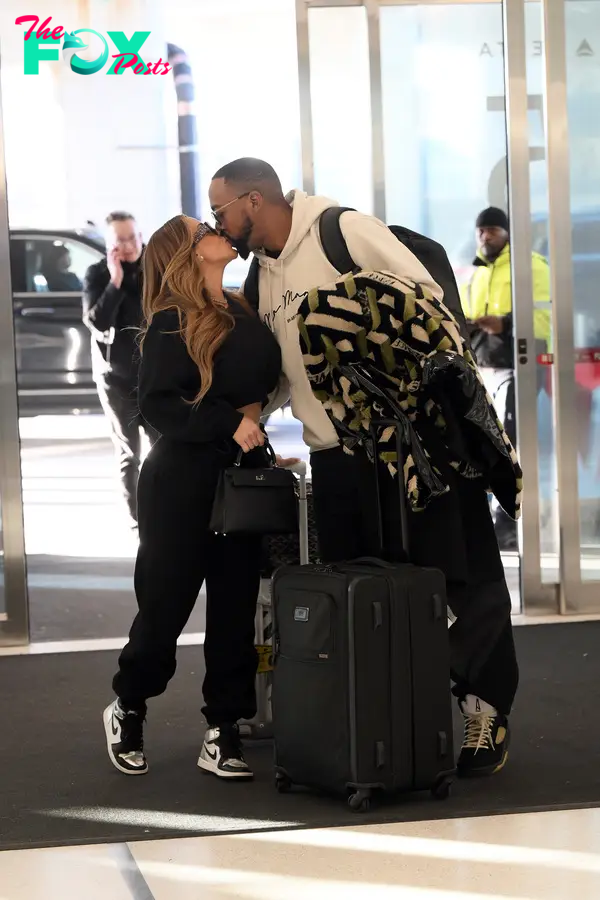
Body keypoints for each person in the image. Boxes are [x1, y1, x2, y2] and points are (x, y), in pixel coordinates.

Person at [209, 158, 519, 778]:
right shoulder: (263, 277)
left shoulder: (340, 229)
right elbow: (284, 371)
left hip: (413, 445)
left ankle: (486, 708)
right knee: (364, 590)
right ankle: (384, 723)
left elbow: (426, 304)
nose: (219, 222)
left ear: (251, 201)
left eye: (220, 211)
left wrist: (353, 325)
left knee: (456, 570)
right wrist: (243, 416)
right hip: (337, 460)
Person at [103, 217, 284, 781]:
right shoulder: (166, 320)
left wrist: (250, 423)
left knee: (234, 611)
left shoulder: (243, 311)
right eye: (203, 226)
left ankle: (223, 730)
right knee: (165, 608)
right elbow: (158, 405)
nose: (217, 229)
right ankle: (128, 707)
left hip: (238, 480)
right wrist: (229, 423)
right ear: (188, 251)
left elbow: (260, 386)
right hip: (180, 482)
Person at [461, 206, 551, 549]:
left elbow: (543, 315)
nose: (486, 236)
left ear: (507, 232)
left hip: (520, 366)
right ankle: (493, 518)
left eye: (493, 230)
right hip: (485, 367)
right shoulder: (478, 271)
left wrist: (506, 322)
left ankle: (508, 522)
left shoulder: (531, 266)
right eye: (481, 230)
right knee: (487, 444)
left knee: (510, 445)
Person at [83, 211, 159, 528]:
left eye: (132, 238)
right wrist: (115, 280)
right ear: (108, 244)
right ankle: (139, 519)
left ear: (141, 236)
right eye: (119, 240)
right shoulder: (98, 274)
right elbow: (96, 321)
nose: (128, 246)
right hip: (116, 378)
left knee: (164, 448)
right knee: (130, 452)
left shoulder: (155, 269)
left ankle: (164, 509)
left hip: (155, 376)